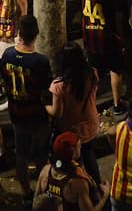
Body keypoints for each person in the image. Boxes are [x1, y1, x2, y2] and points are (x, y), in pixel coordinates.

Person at [0, 14, 53, 202]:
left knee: (21, 155)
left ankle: (25, 193)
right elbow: (47, 89)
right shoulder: (40, 61)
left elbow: (4, 83)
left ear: (19, 33)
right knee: (41, 154)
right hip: (37, 114)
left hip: (16, 112)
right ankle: (43, 193)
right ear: (36, 34)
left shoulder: (7, 55)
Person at [50, 44, 103, 183]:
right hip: (90, 123)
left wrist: (45, 107)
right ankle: (96, 186)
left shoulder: (59, 85)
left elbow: (57, 112)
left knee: (74, 163)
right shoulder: (92, 74)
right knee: (90, 157)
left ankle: (80, 188)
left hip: (71, 129)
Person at [38, 131, 102, 211]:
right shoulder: (78, 182)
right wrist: (105, 196)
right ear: (72, 151)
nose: (80, 148)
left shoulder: (45, 171)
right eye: (79, 146)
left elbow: (36, 203)